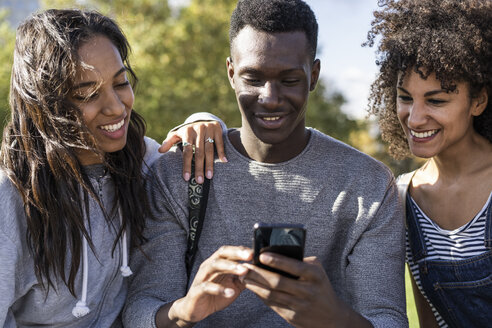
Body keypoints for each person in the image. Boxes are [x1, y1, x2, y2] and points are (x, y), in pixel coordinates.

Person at [123, 0, 407, 327]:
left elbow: (390, 320)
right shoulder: (180, 173)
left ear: (313, 75)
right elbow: (139, 311)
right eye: (253, 78)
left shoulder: (367, 186)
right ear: (231, 73)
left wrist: (334, 318)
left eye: (289, 80)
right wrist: (186, 310)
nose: (270, 98)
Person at [0, 9, 222, 327]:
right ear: (44, 103)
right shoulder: (11, 198)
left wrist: (202, 120)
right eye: (87, 94)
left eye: (120, 83)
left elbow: (194, 163)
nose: (116, 107)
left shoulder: (142, 160)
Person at [364, 0, 492, 327]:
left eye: (436, 100)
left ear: (478, 100)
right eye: (405, 97)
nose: (415, 118)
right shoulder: (405, 196)